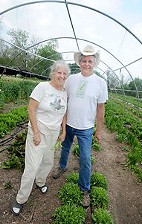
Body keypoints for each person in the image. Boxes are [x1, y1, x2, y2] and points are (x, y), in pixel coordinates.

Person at [11, 60, 70, 215]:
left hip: (53, 134)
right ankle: (20, 199)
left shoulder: (64, 92)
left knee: (48, 162)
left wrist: (63, 131)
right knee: (32, 167)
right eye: (59, 72)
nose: (62, 76)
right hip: (39, 132)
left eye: (65, 74)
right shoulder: (42, 87)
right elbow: (31, 109)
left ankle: (40, 182)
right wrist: (36, 132)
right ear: (53, 73)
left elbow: (63, 113)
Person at [52, 45, 108, 207]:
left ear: (94, 63)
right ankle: (62, 167)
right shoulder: (71, 79)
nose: (87, 64)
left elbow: (100, 108)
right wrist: (61, 124)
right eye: (84, 61)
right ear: (80, 62)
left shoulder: (100, 83)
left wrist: (98, 130)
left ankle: (84, 188)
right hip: (69, 123)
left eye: (90, 61)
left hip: (86, 128)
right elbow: (64, 100)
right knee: (65, 147)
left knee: (85, 158)